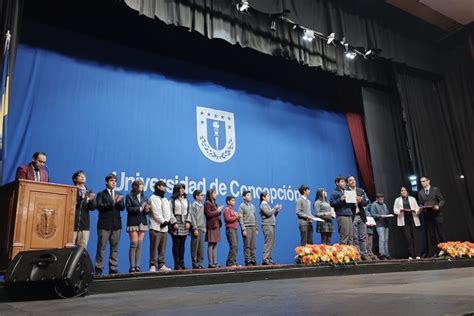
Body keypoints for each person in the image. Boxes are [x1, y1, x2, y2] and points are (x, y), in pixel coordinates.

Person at [95, 174, 125, 275]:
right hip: (104, 225)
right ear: (106, 182)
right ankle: (99, 268)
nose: (114, 183)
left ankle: (113, 268)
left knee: (114, 248)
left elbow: (122, 208)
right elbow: (99, 207)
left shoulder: (119, 193)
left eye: (115, 181)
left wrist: (119, 202)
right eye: (111, 181)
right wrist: (111, 202)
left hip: (116, 225)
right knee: (101, 248)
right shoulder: (101, 194)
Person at [125, 179, 150, 273]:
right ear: (135, 186)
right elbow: (128, 209)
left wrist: (147, 210)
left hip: (142, 222)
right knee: (133, 244)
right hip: (133, 222)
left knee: (139, 245)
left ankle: (137, 266)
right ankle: (132, 266)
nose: (142, 187)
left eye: (143, 185)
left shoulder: (145, 197)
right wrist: (140, 208)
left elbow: (146, 212)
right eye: (140, 185)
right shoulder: (129, 196)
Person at [418, 176, 445, 257]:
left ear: (428, 181)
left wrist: (438, 206)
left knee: (441, 233)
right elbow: (421, 203)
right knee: (432, 235)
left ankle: (444, 249)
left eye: (424, 181)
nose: (422, 183)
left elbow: (442, 200)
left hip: (437, 215)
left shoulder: (435, 189)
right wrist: (421, 207)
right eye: (421, 182)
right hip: (428, 216)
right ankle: (436, 251)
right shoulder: (420, 192)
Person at [148, 180, 172, 272]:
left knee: (162, 248)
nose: (165, 188)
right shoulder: (152, 198)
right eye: (163, 186)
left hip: (164, 228)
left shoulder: (165, 200)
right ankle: (152, 265)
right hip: (155, 226)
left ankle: (161, 265)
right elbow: (155, 212)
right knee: (154, 247)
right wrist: (162, 221)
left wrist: (166, 221)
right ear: (158, 186)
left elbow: (168, 212)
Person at [346, 176, 371, 261]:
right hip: (352, 216)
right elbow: (346, 205)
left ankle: (364, 254)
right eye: (350, 180)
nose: (353, 181)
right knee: (355, 237)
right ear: (347, 183)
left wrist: (360, 201)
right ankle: (357, 254)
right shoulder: (346, 191)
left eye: (354, 180)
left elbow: (365, 203)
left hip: (361, 215)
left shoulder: (360, 190)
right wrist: (353, 201)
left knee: (363, 236)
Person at [394, 187, 421, 259]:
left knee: (415, 237)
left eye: (404, 190)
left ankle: (417, 254)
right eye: (401, 191)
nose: (403, 192)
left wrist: (414, 210)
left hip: (412, 218)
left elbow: (417, 208)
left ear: (407, 191)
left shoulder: (412, 199)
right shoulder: (397, 200)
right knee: (408, 238)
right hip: (404, 219)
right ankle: (410, 255)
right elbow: (395, 210)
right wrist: (400, 210)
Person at [169, 184, 191, 270]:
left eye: (183, 188)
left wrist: (188, 221)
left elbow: (189, 211)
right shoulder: (172, 200)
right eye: (180, 188)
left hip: (184, 222)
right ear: (176, 190)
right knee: (176, 244)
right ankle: (176, 264)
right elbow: (170, 212)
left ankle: (182, 262)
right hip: (176, 221)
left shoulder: (186, 200)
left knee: (182, 244)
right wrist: (173, 222)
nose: (182, 190)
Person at [72, 170, 96, 248]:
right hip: (72, 225)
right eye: (80, 176)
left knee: (82, 249)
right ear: (75, 179)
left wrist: (91, 201)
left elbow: (92, 208)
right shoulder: (72, 190)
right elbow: (72, 205)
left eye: (84, 176)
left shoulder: (89, 191)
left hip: (84, 225)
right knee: (68, 249)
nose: (83, 177)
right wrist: (81, 198)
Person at [260, 192, 282, 265]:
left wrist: (277, 211)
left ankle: (269, 258)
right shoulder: (262, 205)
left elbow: (272, 215)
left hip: (271, 224)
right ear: (263, 197)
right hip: (267, 225)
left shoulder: (267, 205)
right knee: (268, 242)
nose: (269, 197)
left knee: (271, 243)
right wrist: (275, 208)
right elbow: (268, 213)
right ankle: (265, 259)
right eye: (268, 196)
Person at [330, 176, 352, 245]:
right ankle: (342, 254)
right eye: (342, 182)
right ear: (337, 183)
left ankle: (351, 254)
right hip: (342, 215)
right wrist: (340, 199)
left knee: (350, 237)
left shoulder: (347, 191)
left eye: (344, 182)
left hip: (349, 214)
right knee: (344, 237)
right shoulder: (334, 192)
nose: (344, 183)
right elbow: (332, 203)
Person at [238, 190, 258, 266]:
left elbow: (255, 218)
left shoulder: (253, 206)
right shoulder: (242, 206)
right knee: (247, 245)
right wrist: (243, 229)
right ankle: (248, 260)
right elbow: (240, 218)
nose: (250, 196)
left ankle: (253, 259)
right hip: (247, 227)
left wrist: (256, 228)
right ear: (244, 197)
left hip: (253, 227)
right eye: (248, 195)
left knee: (253, 245)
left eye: (250, 195)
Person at [205, 188, 223, 268]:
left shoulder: (215, 203)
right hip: (211, 226)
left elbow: (216, 214)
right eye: (214, 193)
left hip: (216, 225)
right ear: (210, 194)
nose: (216, 194)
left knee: (215, 244)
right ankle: (210, 263)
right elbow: (208, 214)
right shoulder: (207, 203)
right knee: (211, 244)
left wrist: (219, 212)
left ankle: (215, 262)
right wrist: (218, 211)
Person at [370, 193, 391, 259]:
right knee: (382, 239)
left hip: (385, 223)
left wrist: (388, 215)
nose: (382, 200)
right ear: (377, 199)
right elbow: (373, 214)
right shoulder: (374, 205)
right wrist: (380, 215)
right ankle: (382, 254)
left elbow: (387, 212)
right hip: (379, 224)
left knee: (386, 240)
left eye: (382, 199)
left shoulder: (384, 205)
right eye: (380, 199)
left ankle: (387, 254)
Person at [189, 190, 206, 269]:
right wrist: (195, 228)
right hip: (195, 229)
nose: (202, 196)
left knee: (200, 247)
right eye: (201, 195)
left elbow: (203, 217)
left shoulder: (202, 205)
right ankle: (194, 263)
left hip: (201, 229)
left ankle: (200, 262)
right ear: (196, 196)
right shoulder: (193, 205)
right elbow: (192, 217)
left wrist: (204, 226)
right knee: (195, 247)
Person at [224, 196, 240, 267]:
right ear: (228, 201)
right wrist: (236, 217)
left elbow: (234, 219)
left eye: (234, 200)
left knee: (235, 246)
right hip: (230, 229)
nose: (234, 202)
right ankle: (230, 262)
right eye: (232, 200)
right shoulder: (227, 209)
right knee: (233, 245)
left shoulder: (233, 210)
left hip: (234, 229)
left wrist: (237, 217)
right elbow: (227, 219)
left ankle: (233, 261)